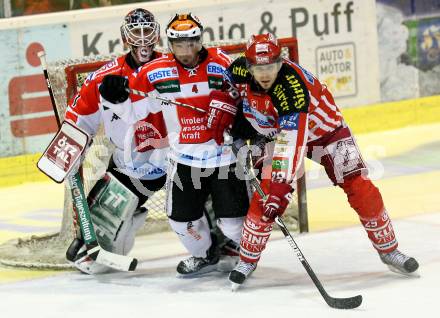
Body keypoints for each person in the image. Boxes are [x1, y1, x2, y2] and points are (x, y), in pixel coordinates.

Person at [209, 33, 419, 287]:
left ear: (281, 62)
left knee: (360, 187)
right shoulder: (240, 68)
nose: (264, 74)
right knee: (264, 196)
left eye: (271, 67)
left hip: (327, 133)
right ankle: (248, 259)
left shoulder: (293, 91)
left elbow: (291, 146)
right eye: (258, 68)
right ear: (248, 64)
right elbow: (228, 85)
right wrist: (225, 105)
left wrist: (280, 188)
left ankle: (389, 250)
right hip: (281, 132)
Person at [99, 13, 249, 276]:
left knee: (233, 224)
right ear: (170, 44)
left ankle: (245, 253)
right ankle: (205, 255)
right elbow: (134, 113)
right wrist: (115, 98)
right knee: (182, 222)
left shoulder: (222, 64)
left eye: (192, 43)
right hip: (184, 161)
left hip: (224, 158)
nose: (186, 51)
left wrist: (243, 122)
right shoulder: (153, 72)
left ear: (200, 40)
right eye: (179, 45)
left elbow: (245, 100)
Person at [64, 8, 168, 274]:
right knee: (95, 253)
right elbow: (78, 119)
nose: (143, 38)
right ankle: (113, 233)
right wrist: (72, 149)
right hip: (131, 165)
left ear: (157, 34)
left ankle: (222, 242)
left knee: (209, 208)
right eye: (136, 31)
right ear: (125, 36)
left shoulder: (172, 69)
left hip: (179, 157)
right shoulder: (102, 78)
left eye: (148, 31)